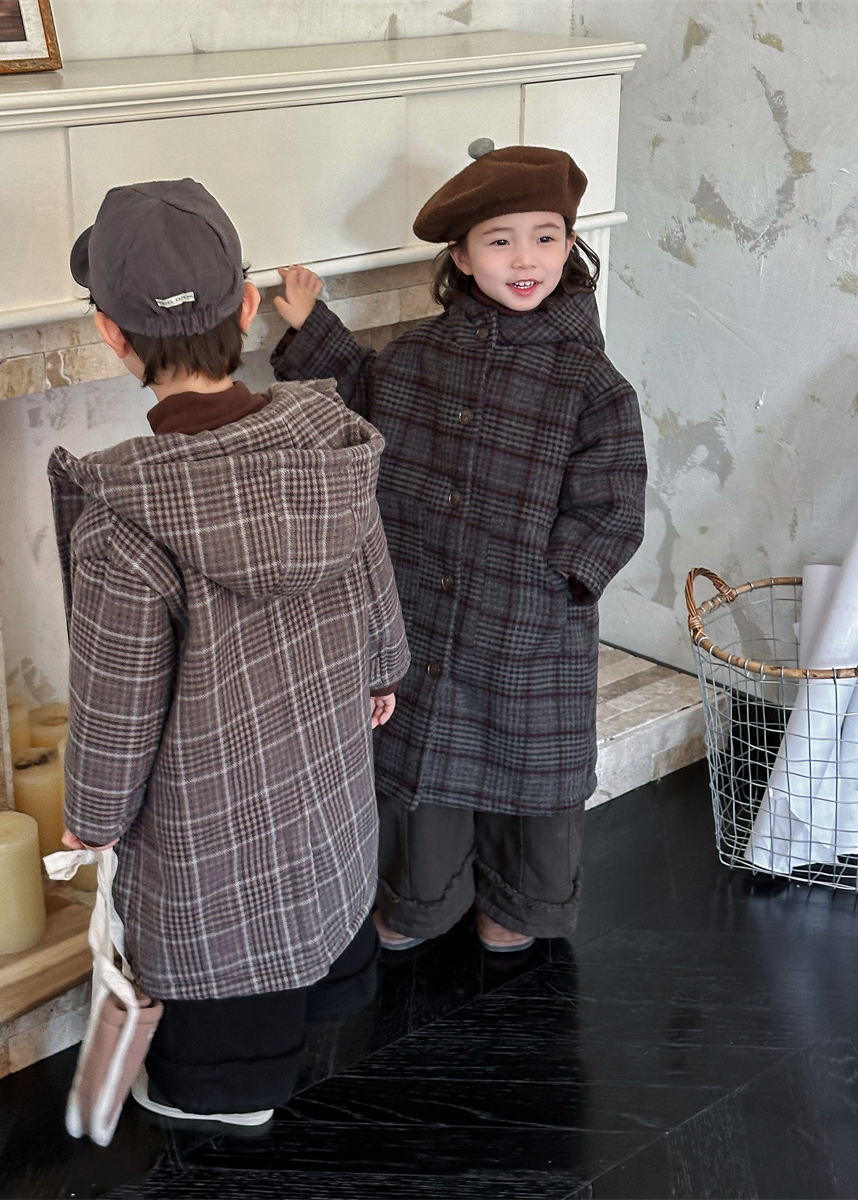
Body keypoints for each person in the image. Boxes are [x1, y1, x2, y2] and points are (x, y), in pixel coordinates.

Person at [48, 178, 409, 1126]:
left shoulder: (124, 521)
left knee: (217, 919)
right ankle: (312, 1026)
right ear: (249, 307)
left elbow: (117, 703)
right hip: (322, 769)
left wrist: (92, 818)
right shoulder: (330, 447)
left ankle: (226, 1097)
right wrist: (382, 669)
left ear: (111, 335)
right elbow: (374, 578)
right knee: (313, 872)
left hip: (204, 811)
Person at [269, 144, 647, 954]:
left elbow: (613, 506)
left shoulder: (592, 384)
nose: (525, 259)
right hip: (424, 615)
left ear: (570, 248)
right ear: (462, 256)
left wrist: (553, 584)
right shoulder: (417, 356)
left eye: (545, 238)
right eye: (500, 241)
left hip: (532, 629)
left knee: (528, 779)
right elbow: (363, 400)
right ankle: (419, 900)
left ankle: (521, 905)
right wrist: (312, 328)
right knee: (423, 769)